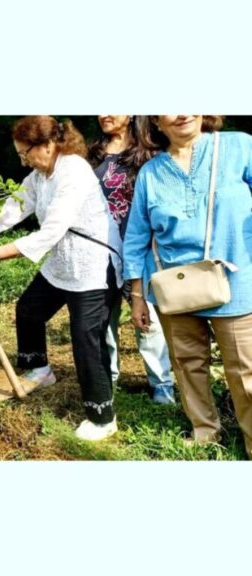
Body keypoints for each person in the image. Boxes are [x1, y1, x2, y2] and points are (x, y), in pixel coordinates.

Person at [0, 116, 122, 441]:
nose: (23, 160)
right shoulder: (40, 175)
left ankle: (103, 417)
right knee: (29, 309)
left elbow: (50, 232)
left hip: (93, 265)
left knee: (85, 340)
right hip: (63, 261)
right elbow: (10, 210)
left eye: (25, 153)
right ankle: (41, 370)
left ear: (48, 145)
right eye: (20, 154)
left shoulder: (73, 171)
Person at [124, 115, 252, 456]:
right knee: (187, 364)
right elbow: (136, 237)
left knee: (246, 371)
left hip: (236, 283)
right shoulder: (150, 173)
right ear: (155, 120)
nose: (181, 112)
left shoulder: (240, 146)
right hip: (174, 287)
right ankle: (205, 430)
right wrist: (137, 297)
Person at [89, 116, 175, 404]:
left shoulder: (152, 153)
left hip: (144, 251)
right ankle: (107, 379)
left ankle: (162, 385)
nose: (104, 114)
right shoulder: (91, 155)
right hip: (101, 252)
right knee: (103, 320)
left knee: (147, 320)